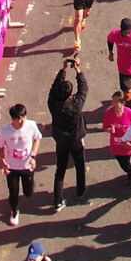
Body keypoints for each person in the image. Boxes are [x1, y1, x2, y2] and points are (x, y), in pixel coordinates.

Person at [47, 57, 88, 212]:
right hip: (76, 139)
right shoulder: (75, 106)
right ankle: (80, 189)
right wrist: (78, 70)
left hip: (61, 140)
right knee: (79, 164)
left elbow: (53, 89)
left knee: (60, 169)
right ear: (71, 94)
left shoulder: (52, 104)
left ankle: (57, 201)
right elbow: (84, 88)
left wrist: (63, 70)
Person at [0, 103, 42, 227]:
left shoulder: (31, 125)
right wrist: (3, 160)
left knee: (28, 193)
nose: (22, 121)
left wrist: (33, 156)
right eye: (19, 118)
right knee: (13, 192)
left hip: (27, 165)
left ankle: (30, 185)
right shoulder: (5, 131)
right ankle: (14, 211)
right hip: (12, 167)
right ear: (13, 119)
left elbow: (37, 138)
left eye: (23, 117)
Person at [102, 90, 131, 183]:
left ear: (122, 103)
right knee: (121, 163)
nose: (113, 104)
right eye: (113, 101)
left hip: (127, 144)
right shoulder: (108, 113)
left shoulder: (130, 113)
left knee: (125, 165)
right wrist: (109, 130)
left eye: (117, 102)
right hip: (115, 145)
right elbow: (105, 127)